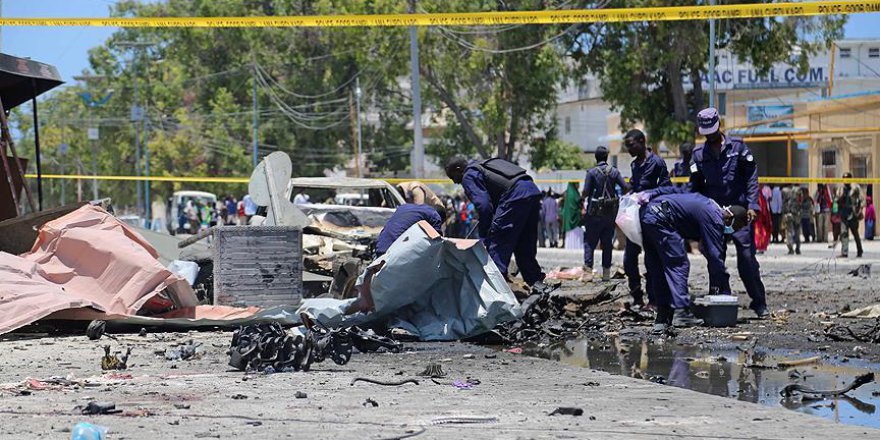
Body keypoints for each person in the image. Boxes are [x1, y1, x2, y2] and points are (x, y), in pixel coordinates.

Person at [689, 107, 768, 318]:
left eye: (712, 130)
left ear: (719, 125)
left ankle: (759, 302)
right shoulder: (698, 155)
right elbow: (694, 189)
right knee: (715, 260)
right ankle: (720, 300)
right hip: (713, 215)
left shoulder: (739, 148)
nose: (709, 135)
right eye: (705, 132)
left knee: (747, 258)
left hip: (739, 214)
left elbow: (751, 177)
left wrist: (753, 205)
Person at [638, 187, 749, 334]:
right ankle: (681, 312)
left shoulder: (708, 205)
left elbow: (676, 190)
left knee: (659, 268)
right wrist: (724, 291)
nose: (735, 231)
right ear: (729, 218)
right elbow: (715, 257)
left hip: (648, 214)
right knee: (679, 264)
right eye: (737, 226)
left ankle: (662, 317)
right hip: (662, 218)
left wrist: (652, 194)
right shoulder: (715, 218)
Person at [444, 156, 552, 294]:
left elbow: (484, 206)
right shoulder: (484, 165)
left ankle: (494, 290)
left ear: (458, 169)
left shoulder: (469, 174)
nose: (454, 182)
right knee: (524, 243)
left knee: (498, 242)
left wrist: (485, 233)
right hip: (531, 190)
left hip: (514, 195)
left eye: (452, 176)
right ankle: (536, 282)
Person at [623, 129, 671, 307]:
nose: (629, 149)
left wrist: (650, 193)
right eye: (626, 146)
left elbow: (667, 188)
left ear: (642, 141)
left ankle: (654, 299)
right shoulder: (634, 165)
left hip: (652, 217)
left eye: (631, 145)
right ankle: (637, 297)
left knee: (651, 260)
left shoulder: (657, 162)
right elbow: (634, 187)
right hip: (635, 218)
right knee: (629, 260)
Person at [581, 146, 628, 282]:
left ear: (596, 157)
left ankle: (588, 273)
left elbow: (586, 192)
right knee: (607, 243)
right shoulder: (614, 172)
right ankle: (606, 274)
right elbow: (625, 187)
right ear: (607, 157)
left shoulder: (591, 173)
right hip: (610, 213)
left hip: (594, 213)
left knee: (590, 242)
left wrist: (582, 200)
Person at [374, 204, 444, 258]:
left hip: (379, 247)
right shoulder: (435, 215)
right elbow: (437, 243)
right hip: (395, 255)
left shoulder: (404, 207)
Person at [837, 172, 864, 258]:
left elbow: (862, 199)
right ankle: (844, 252)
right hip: (844, 213)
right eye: (844, 178)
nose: (846, 180)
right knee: (844, 233)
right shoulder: (841, 188)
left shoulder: (855, 188)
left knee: (855, 233)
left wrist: (859, 210)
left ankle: (860, 250)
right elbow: (836, 199)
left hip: (853, 213)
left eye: (847, 178)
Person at [562, 182, 583, 251]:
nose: (579, 185)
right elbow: (574, 209)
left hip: (569, 220)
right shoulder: (574, 195)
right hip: (574, 222)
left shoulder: (570, 194)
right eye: (577, 184)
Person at [782, 185, 802, 255]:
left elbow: (784, 206)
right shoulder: (798, 192)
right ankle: (797, 248)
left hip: (790, 215)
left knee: (789, 233)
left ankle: (791, 249)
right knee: (797, 232)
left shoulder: (785, 192)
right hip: (796, 215)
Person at [754, 184, 772, 254]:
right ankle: (759, 246)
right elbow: (763, 208)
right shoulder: (759, 196)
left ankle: (759, 246)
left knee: (759, 233)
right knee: (760, 233)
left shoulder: (759, 195)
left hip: (758, 218)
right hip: (759, 218)